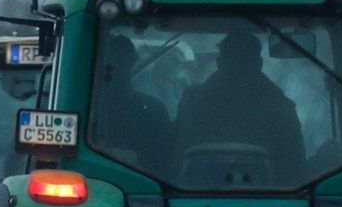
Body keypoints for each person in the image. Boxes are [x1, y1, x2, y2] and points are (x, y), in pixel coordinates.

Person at [174, 32, 306, 184]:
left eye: (244, 62)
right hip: (193, 196)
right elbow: (175, 159)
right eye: (234, 61)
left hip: (267, 198)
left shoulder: (193, 101)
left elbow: (294, 169)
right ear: (259, 63)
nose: (238, 69)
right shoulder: (281, 107)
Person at [94, 34, 174, 171]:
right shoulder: (85, 106)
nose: (115, 67)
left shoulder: (153, 109)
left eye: (121, 61)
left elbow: (164, 161)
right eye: (113, 61)